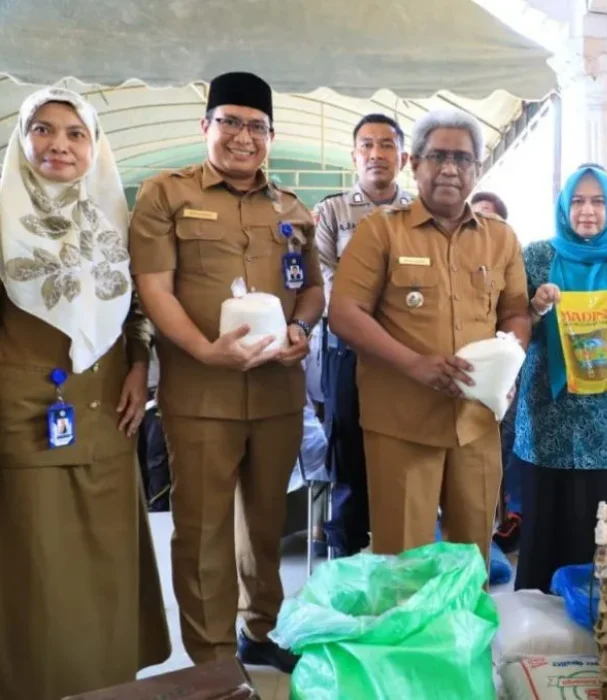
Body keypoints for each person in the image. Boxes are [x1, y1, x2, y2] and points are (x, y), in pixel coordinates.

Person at [130, 71, 325, 670]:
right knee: (202, 528)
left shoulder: (292, 208)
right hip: (201, 392)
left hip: (276, 393)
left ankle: (258, 629)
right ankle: (212, 656)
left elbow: (313, 289)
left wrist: (302, 329)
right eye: (231, 122)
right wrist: (204, 349)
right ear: (207, 126)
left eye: (257, 127)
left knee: (266, 524)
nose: (244, 137)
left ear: (271, 134)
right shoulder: (168, 194)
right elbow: (154, 289)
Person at [0, 86, 170, 700]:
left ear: (95, 146)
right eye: (43, 129)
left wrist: (137, 365)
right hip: (25, 416)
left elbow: (136, 310)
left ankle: (107, 685)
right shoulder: (2, 218)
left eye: (76, 133)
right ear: (23, 140)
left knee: (104, 566)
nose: (60, 145)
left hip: (108, 418)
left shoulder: (112, 219)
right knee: (41, 569)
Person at [329, 108, 530, 566]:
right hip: (402, 421)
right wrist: (414, 364)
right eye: (437, 156)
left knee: (470, 561)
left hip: (477, 419)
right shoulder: (380, 231)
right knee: (404, 561)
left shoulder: (501, 239)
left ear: (477, 170)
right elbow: (344, 313)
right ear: (414, 164)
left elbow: (516, 312)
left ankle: (466, 639)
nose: (450, 169)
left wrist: (508, 363)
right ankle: (407, 640)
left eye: (463, 159)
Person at [512, 164, 607, 592]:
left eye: (598, 201)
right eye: (578, 201)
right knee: (547, 532)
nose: (588, 211)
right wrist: (536, 308)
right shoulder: (539, 257)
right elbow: (516, 330)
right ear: (564, 207)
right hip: (551, 422)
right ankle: (540, 646)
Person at [313, 113, 413, 556]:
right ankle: (347, 563)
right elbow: (322, 278)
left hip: (408, 356)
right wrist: (372, 314)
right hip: (348, 354)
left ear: (403, 156)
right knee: (349, 459)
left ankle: (401, 561)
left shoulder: (419, 210)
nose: (377, 154)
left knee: (406, 457)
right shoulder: (332, 212)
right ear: (354, 156)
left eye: (387, 145)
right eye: (367, 146)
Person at [471, 191, 521, 552]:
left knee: (498, 460)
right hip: (458, 383)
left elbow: (519, 318)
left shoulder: (511, 263)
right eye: (477, 217)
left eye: (493, 218)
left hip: (502, 386)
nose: (484, 225)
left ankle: (497, 532)